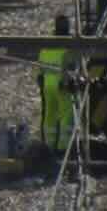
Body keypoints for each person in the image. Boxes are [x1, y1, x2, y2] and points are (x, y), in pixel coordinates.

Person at [37, 15, 75, 153]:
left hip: (48, 85)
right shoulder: (69, 47)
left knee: (49, 115)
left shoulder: (46, 48)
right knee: (66, 116)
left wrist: (42, 84)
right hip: (62, 85)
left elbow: (40, 70)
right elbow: (72, 66)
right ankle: (63, 148)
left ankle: (48, 146)